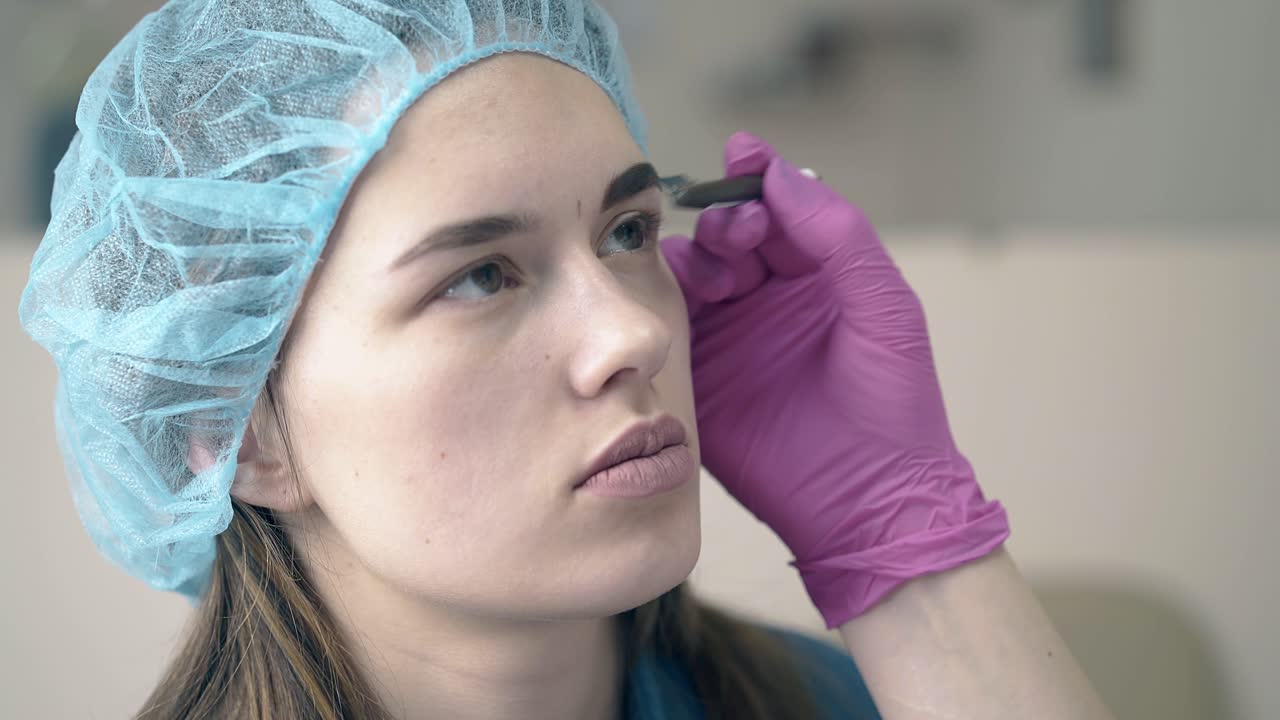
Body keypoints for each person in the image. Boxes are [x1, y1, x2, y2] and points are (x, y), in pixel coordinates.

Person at [16, 1, 1113, 718]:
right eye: (481, 274)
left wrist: (906, 552)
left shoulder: (834, 700)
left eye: (627, 233)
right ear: (236, 430)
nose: (635, 332)